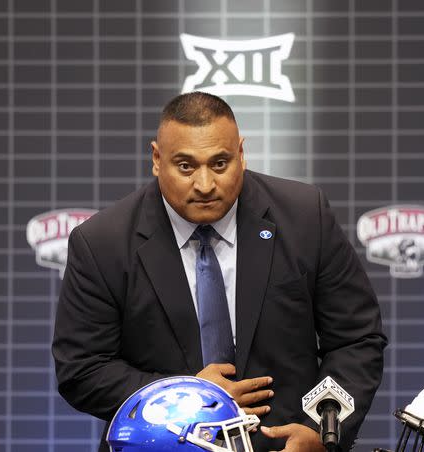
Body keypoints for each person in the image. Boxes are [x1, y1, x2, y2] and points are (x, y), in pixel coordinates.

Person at [53, 92, 387, 451]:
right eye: (185, 166)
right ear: (156, 159)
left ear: (241, 154)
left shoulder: (306, 217)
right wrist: (185, 396)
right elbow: (82, 369)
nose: (205, 185)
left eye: (219, 163)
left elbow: (356, 340)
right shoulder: (102, 242)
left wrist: (321, 431)